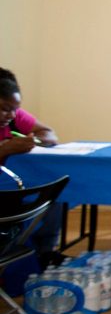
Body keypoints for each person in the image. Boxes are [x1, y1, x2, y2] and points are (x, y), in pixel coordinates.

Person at [0, 68, 64, 267]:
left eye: (15, 109)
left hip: (12, 187)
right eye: (4, 108)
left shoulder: (14, 116)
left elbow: (50, 135)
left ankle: (45, 253)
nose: (11, 115)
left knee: (56, 192)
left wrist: (34, 140)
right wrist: (5, 148)